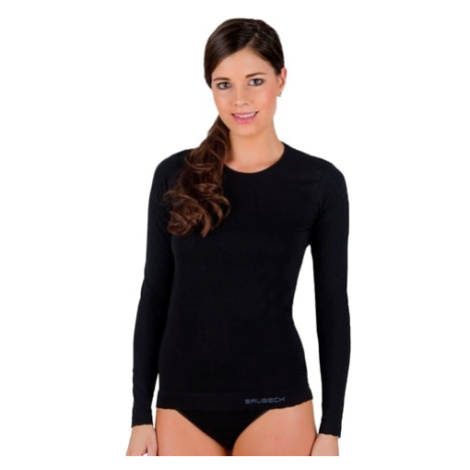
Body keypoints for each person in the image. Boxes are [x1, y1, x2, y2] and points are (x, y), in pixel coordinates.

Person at [125, 17, 351, 457]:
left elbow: (331, 304)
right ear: (210, 87)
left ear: (282, 79)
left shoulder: (319, 183)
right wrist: (139, 414)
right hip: (183, 405)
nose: (240, 99)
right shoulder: (174, 175)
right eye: (224, 84)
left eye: (255, 80)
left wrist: (332, 427)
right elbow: (154, 295)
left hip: (277, 402)